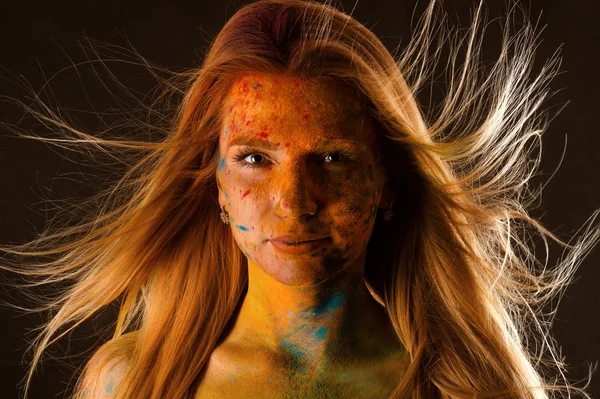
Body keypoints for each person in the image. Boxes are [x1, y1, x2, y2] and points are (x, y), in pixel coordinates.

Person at [1, 0, 598, 398]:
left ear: (386, 181)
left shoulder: (468, 389)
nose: (293, 200)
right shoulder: (132, 382)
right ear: (215, 183)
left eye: (332, 159)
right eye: (255, 159)